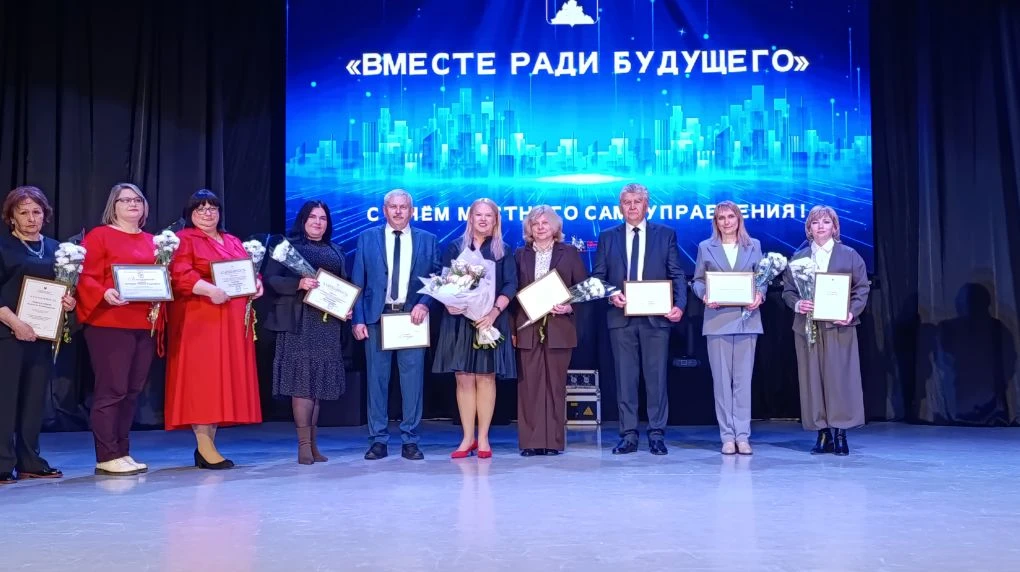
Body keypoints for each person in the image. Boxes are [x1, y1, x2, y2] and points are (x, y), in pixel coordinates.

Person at [165, 189, 263, 469]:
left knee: (221, 382)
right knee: (203, 381)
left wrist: (257, 284)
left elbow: (246, 272)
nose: (207, 214)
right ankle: (204, 446)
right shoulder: (184, 239)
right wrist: (209, 290)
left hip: (231, 321)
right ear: (190, 213)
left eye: (212, 208)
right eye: (201, 209)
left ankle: (207, 446)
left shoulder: (232, 240)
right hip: (201, 319)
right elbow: (180, 273)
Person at [592, 183, 686, 456]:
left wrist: (679, 305)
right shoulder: (607, 236)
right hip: (620, 318)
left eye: (637, 201)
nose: (632, 206)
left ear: (647, 206)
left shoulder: (665, 234)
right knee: (625, 379)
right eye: (627, 202)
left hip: (657, 318)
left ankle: (657, 434)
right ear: (620, 207)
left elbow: (676, 273)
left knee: (656, 380)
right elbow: (598, 277)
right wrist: (611, 294)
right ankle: (629, 435)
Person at [76, 183, 159, 476]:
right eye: (124, 200)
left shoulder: (154, 241)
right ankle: (106, 454)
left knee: (132, 392)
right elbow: (84, 275)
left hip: (144, 323)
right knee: (112, 390)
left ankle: (122, 451)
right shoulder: (100, 236)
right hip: (109, 323)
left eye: (137, 199)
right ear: (113, 206)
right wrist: (103, 292)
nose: (132, 204)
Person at [351, 189, 440, 461]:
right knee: (376, 382)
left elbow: (436, 278)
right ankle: (377, 440)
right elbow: (358, 281)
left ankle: (410, 440)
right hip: (376, 318)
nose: (398, 211)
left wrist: (425, 303)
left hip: (412, 318)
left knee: (412, 384)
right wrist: (358, 318)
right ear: (384, 210)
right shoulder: (367, 238)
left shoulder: (428, 240)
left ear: (412, 211)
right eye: (393, 207)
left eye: (403, 207)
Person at [0, 186, 75, 484]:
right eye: (24, 212)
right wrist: (16, 323)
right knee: (5, 400)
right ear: (11, 217)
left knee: (33, 401)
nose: (31, 218)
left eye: (37, 212)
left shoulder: (58, 249)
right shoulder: (3, 247)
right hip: (8, 333)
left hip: (42, 335)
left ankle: (30, 460)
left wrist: (70, 302)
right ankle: (2, 463)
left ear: (45, 214)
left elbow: (65, 288)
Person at [264, 201, 348, 464]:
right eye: (312, 217)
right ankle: (302, 446)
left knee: (317, 385)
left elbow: (343, 286)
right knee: (302, 383)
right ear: (303, 220)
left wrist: (346, 308)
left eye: (323, 218)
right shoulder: (288, 249)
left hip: (326, 325)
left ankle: (313, 445)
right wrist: (298, 283)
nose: (318, 222)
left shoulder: (336, 250)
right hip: (298, 323)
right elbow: (271, 279)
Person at [782, 205, 870, 456]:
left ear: (834, 227)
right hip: (807, 327)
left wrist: (851, 312)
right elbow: (788, 291)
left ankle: (840, 432)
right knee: (811, 380)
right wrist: (797, 303)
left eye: (826, 222)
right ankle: (822, 433)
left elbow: (861, 288)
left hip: (839, 326)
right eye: (815, 222)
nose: (820, 227)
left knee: (840, 380)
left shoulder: (849, 255)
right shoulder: (798, 259)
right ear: (809, 228)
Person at [433, 198, 517, 459]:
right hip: (459, 321)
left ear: (495, 220)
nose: (483, 219)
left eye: (488, 215)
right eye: (478, 215)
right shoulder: (454, 247)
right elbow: (444, 281)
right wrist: (449, 303)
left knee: (486, 377)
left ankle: (483, 439)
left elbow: (510, 285)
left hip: (489, 321)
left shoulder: (503, 250)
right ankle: (467, 438)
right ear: (470, 218)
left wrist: (493, 313)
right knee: (464, 378)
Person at [691, 201, 765, 455]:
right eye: (721, 218)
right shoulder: (706, 247)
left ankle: (742, 436)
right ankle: (727, 437)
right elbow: (698, 280)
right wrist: (704, 295)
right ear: (716, 222)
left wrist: (760, 295)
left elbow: (761, 279)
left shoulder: (754, 245)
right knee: (722, 384)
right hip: (717, 321)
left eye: (730, 217)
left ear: (738, 219)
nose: (726, 222)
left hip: (747, 320)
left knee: (743, 383)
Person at [512, 206, 587, 456]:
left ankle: (553, 442)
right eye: (535, 224)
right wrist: (513, 329)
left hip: (559, 326)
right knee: (529, 387)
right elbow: (512, 294)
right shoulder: (519, 255)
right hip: (527, 327)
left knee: (555, 387)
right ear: (529, 229)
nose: (541, 227)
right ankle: (530, 442)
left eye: (545, 223)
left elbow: (583, 289)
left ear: (555, 227)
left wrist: (569, 307)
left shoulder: (569, 252)